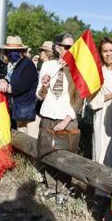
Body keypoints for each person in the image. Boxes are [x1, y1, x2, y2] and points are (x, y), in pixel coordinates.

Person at [36, 32, 83, 193]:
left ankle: (63, 191)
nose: (71, 50)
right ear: (58, 47)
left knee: (65, 159)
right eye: (67, 47)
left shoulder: (78, 68)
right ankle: (50, 188)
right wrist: (44, 86)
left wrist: (65, 120)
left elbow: (79, 99)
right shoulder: (48, 66)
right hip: (48, 116)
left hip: (67, 120)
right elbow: (39, 96)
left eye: (73, 47)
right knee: (47, 154)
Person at [89, 37, 112, 171]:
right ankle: (101, 190)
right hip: (103, 117)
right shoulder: (97, 73)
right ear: (100, 53)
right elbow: (92, 102)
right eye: (105, 51)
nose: (109, 54)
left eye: (111, 50)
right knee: (102, 152)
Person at [0, 36, 38, 134]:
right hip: (18, 107)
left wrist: (7, 88)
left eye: (15, 50)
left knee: (26, 136)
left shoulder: (27, 64)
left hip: (25, 108)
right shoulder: (13, 64)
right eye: (9, 51)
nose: (11, 53)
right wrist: (2, 81)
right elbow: (3, 77)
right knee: (19, 134)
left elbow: (21, 86)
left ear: (21, 51)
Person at [27, 40, 55, 138]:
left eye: (41, 51)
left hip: (41, 106)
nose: (40, 53)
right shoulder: (55, 66)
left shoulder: (47, 66)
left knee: (32, 134)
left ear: (47, 53)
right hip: (46, 107)